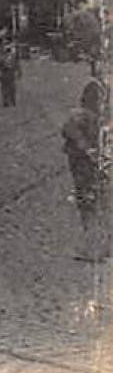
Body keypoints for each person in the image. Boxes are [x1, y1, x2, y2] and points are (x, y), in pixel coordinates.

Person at [62, 85, 108, 263]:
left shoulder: (85, 111)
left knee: (91, 203)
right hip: (88, 162)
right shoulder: (85, 114)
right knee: (95, 201)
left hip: (89, 163)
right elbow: (70, 131)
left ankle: (94, 248)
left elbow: (69, 130)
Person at [0, 41, 21, 108]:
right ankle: (5, 102)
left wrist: (19, 72)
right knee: (4, 88)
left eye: (9, 46)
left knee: (12, 88)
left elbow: (17, 64)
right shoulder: (1, 56)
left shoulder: (13, 56)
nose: (8, 48)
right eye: (6, 46)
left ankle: (12, 101)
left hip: (11, 73)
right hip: (4, 73)